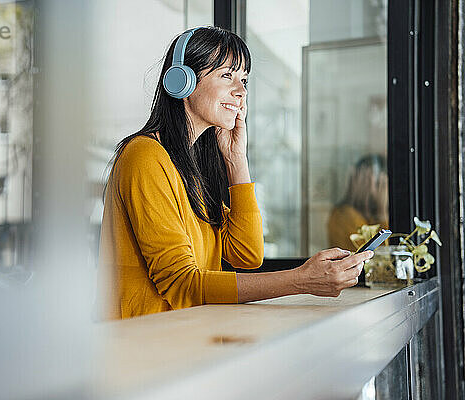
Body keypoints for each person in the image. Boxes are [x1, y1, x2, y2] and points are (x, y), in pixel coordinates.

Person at [98, 26, 373, 320]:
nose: (241, 91)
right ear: (182, 81)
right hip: (143, 348)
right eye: (227, 75)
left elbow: (247, 254)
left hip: (182, 339)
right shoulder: (145, 156)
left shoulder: (194, 166)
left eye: (244, 80)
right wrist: (301, 280)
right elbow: (182, 284)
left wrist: (236, 159)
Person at [328, 154, 389, 251]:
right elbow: (374, 257)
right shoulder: (345, 215)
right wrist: (382, 214)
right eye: (379, 184)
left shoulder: (371, 216)